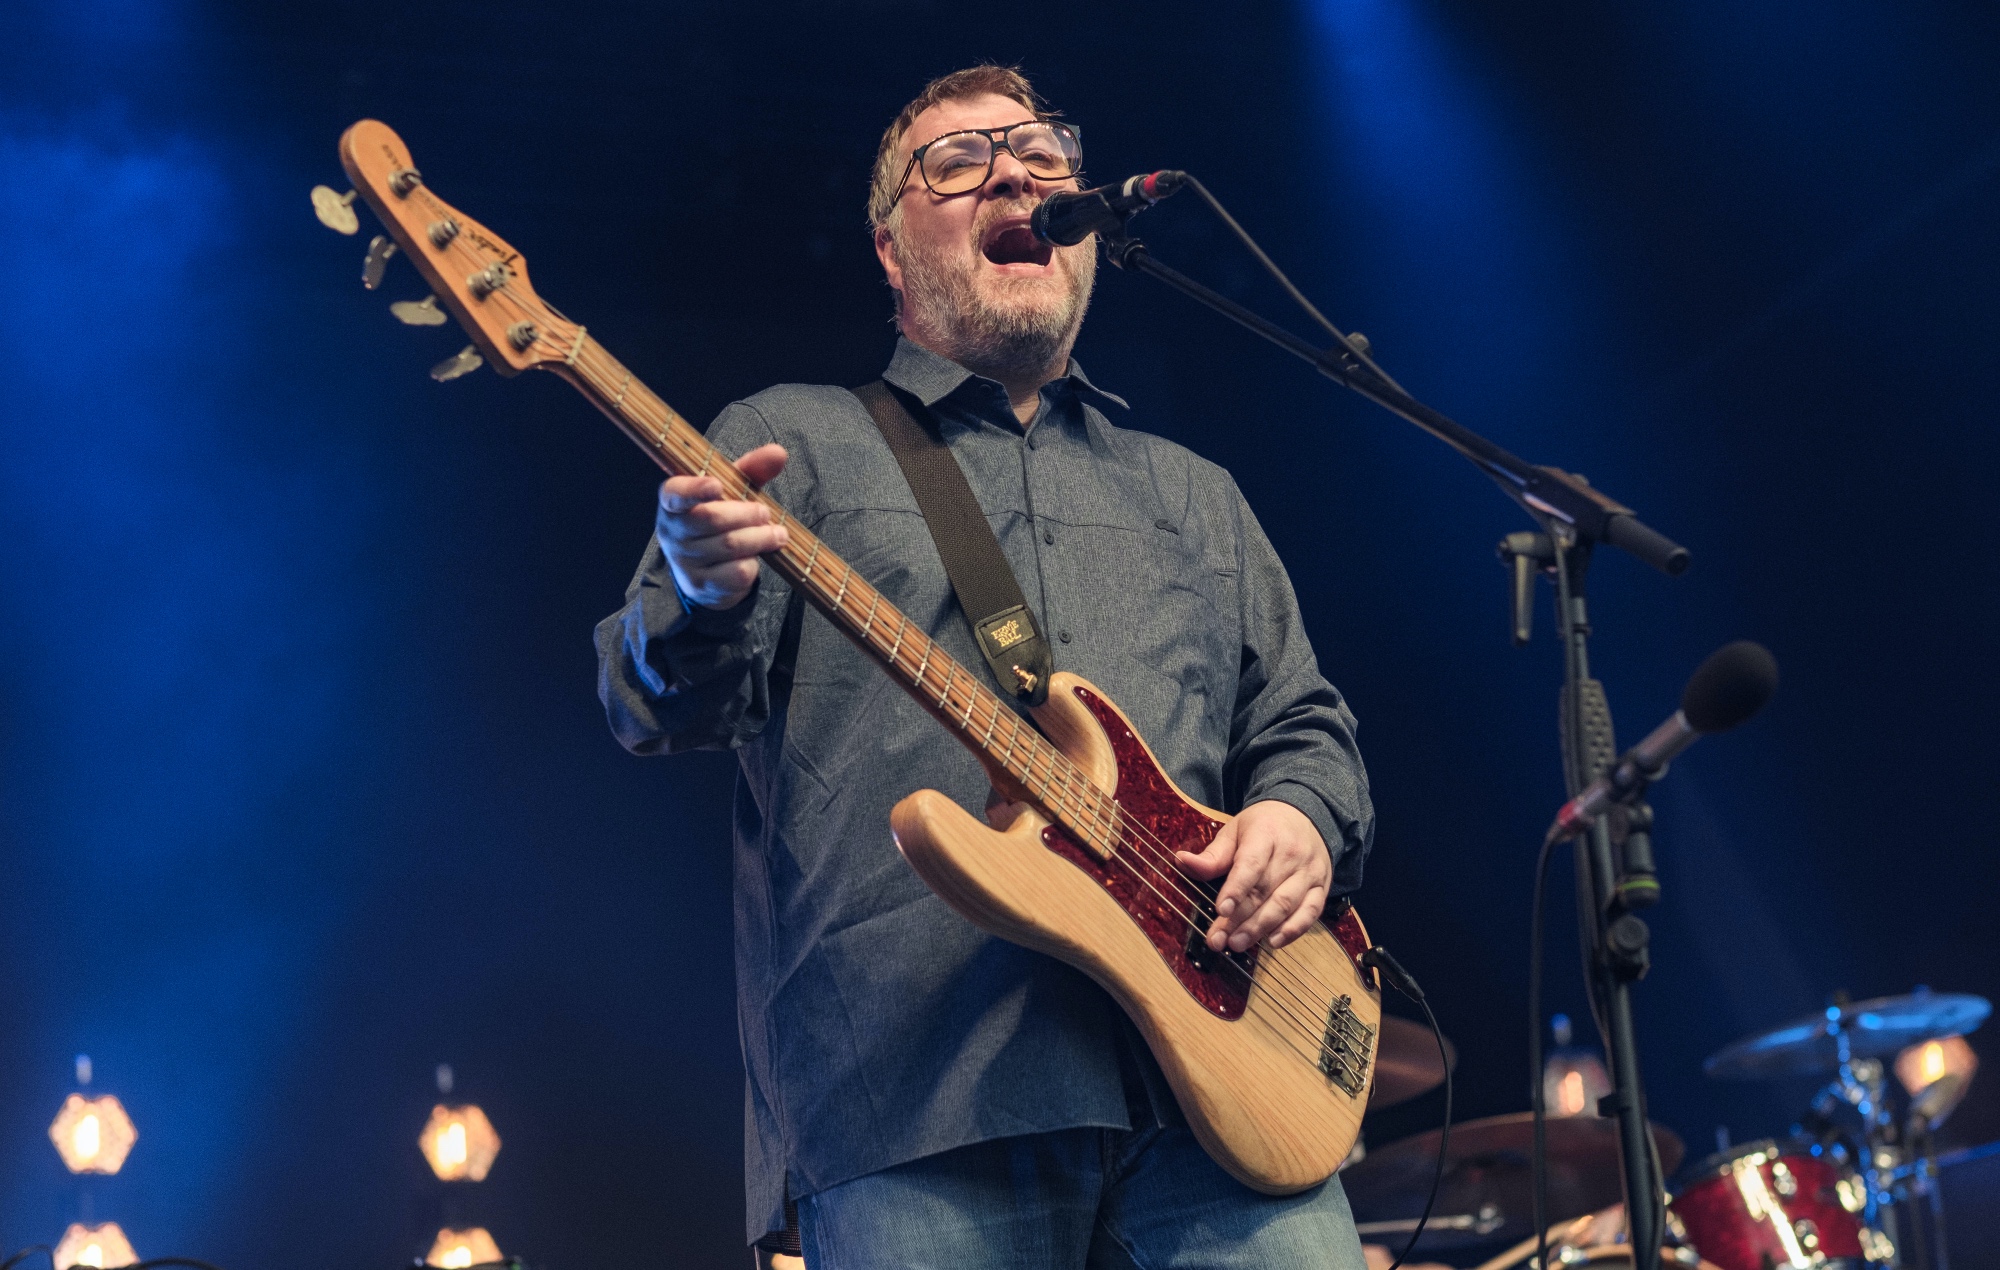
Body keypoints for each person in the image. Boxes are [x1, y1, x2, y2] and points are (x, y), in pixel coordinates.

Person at [596, 64, 1375, 1269]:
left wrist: (1298, 817)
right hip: (919, 1101)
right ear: (891, 252)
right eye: (956, 161)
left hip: (1229, 1102)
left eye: (1044, 155)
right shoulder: (792, 437)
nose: (1016, 172)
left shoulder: (1191, 494)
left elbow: (1301, 719)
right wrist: (698, 592)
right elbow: (656, 708)